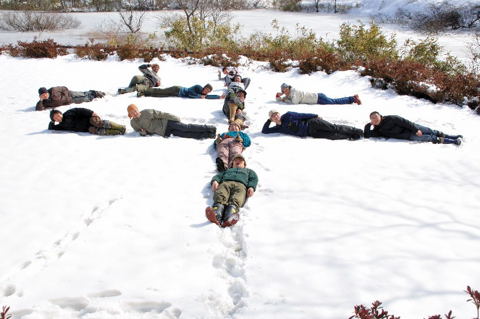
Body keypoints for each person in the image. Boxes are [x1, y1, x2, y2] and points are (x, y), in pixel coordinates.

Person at [206, 154, 258, 227]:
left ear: (244, 164)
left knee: (238, 197)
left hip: (241, 185)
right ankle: (216, 212)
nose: (238, 161)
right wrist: (215, 181)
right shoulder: (228, 170)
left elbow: (254, 179)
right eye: (235, 160)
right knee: (221, 193)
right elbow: (218, 176)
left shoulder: (249, 171)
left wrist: (251, 187)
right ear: (232, 164)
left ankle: (230, 215)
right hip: (226, 183)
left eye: (240, 160)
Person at [364, 111, 463, 145]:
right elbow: (367, 135)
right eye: (372, 119)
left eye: (375, 117)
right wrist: (368, 126)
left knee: (430, 131)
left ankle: (453, 136)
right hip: (408, 136)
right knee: (429, 138)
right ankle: (453, 141)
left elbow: (405, 122)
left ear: (380, 116)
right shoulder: (378, 130)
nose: (374, 119)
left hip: (412, 128)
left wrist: (416, 130)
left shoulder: (391, 118)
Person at [127, 104, 216, 139]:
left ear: (137, 110)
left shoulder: (147, 112)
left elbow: (161, 114)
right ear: (130, 114)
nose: (134, 113)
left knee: (186, 128)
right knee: (185, 134)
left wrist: (175, 118)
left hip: (167, 122)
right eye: (132, 113)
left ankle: (209, 128)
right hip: (163, 131)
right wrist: (143, 133)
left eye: (135, 111)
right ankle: (208, 134)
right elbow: (138, 131)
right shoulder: (133, 123)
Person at [262, 110, 363, 140]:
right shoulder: (278, 128)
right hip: (311, 133)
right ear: (272, 119)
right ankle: (351, 135)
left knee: (333, 128)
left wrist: (316, 115)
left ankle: (358, 131)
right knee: (332, 136)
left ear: (279, 114)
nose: (276, 116)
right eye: (273, 116)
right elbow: (265, 131)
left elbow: (302, 115)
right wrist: (268, 120)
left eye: (276, 114)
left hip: (313, 122)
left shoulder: (288, 115)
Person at [48, 108, 125, 135]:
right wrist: (52, 122)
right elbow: (52, 127)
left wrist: (92, 113)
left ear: (60, 113)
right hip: (87, 128)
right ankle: (118, 132)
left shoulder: (69, 113)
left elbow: (81, 110)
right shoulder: (62, 125)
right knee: (96, 131)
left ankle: (120, 127)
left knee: (98, 123)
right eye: (55, 118)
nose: (58, 118)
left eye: (58, 115)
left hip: (90, 119)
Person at [275, 83, 361, 105]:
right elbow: (280, 100)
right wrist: (279, 96)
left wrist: (284, 99)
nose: (284, 92)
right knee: (334, 101)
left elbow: (294, 102)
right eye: (283, 91)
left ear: (288, 88)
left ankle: (353, 98)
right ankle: (352, 98)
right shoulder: (290, 94)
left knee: (335, 102)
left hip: (318, 98)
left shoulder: (294, 92)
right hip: (318, 98)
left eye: (285, 90)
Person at [36, 86, 105, 111]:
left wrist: (66, 96)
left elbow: (64, 88)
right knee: (85, 99)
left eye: (45, 94)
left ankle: (95, 92)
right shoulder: (44, 102)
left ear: (47, 92)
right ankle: (94, 96)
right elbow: (38, 109)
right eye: (42, 95)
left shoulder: (53, 90)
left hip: (70, 94)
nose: (45, 96)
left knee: (83, 94)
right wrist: (41, 100)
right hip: (70, 101)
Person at [137, 83, 224, 99]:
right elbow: (190, 94)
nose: (206, 92)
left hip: (176, 94)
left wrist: (218, 97)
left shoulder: (203, 94)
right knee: (161, 91)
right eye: (206, 89)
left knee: (161, 95)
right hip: (177, 89)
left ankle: (145, 94)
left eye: (208, 91)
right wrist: (198, 96)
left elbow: (208, 97)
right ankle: (143, 89)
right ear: (204, 87)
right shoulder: (198, 87)